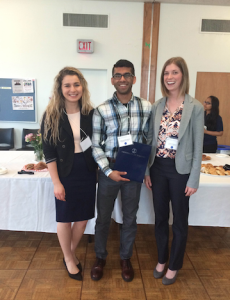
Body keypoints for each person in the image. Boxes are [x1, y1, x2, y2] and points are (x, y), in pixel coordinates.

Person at [91, 59, 152, 282]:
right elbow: (96, 145)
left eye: (127, 75)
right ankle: (100, 257)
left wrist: (145, 170)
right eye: (118, 75)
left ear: (134, 79)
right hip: (109, 169)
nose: (122, 79)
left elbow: (148, 140)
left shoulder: (147, 107)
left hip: (133, 171)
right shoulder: (101, 109)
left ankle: (125, 258)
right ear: (112, 80)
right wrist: (108, 171)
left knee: (130, 218)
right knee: (103, 218)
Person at [145, 57, 204, 285]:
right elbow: (151, 139)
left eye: (174, 73)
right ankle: (161, 259)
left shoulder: (195, 107)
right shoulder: (157, 105)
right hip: (158, 168)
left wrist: (194, 179)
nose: (169, 77)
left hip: (181, 171)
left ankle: (174, 265)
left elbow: (198, 145)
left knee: (179, 220)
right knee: (160, 217)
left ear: (183, 76)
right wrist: (147, 171)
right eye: (166, 73)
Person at [40, 67, 97, 281]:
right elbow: (49, 153)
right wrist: (56, 182)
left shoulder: (90, 113)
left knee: (82, 219)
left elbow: (94, 144)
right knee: (65, 219)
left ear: (82, 86)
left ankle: (69, 254)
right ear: (60, 88)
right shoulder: (51, 116)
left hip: (87, 170)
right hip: (64, 172)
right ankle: (69, 258)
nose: (72, 89)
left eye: (76, 84)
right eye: (67, 85)